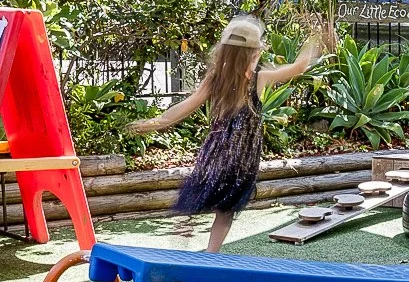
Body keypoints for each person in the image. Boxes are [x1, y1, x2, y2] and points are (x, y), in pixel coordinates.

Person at [129, 15, 319, 252]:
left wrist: (157, 122)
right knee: (225, 210)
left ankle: (184, 244)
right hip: (242, 160)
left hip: (216, 154)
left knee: (199, 198)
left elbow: (187, 105)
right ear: (255, 53)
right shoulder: (258, 78)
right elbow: (299, 68)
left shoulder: (216, 79)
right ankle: (211, 252)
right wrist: (315, 38)